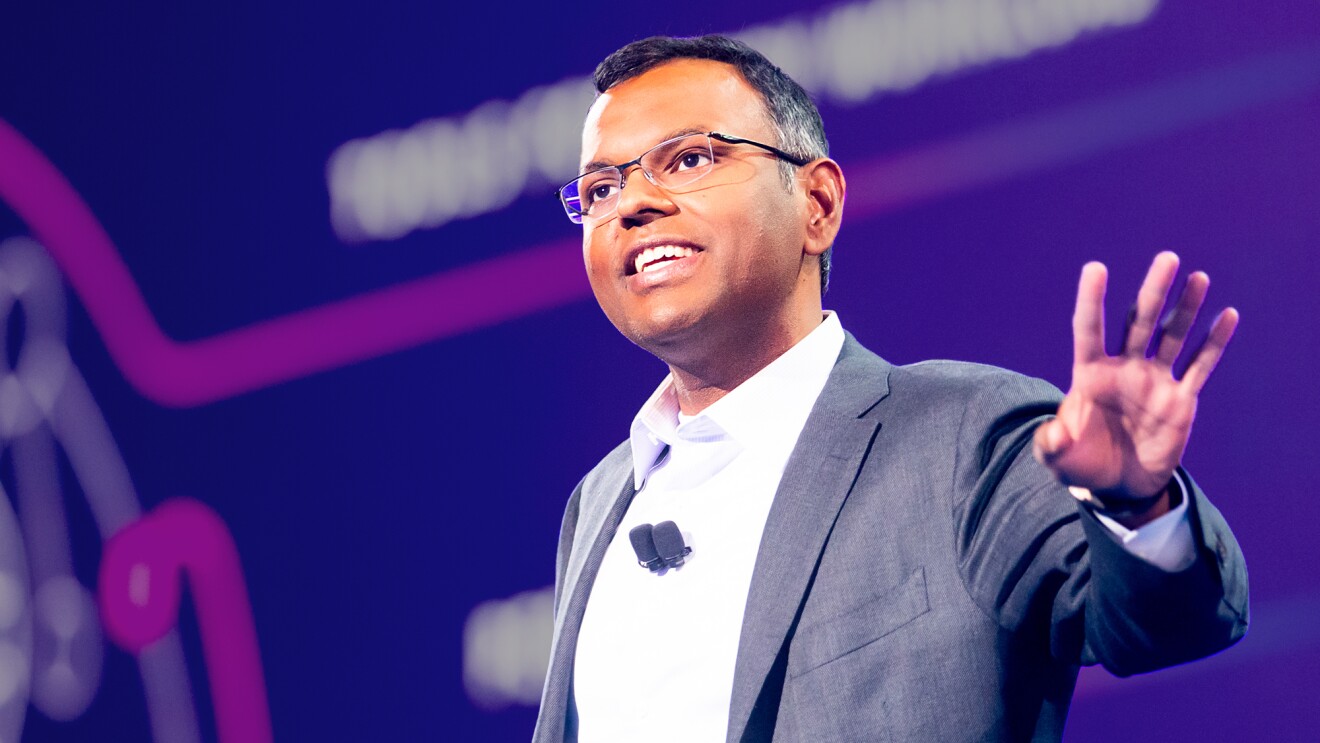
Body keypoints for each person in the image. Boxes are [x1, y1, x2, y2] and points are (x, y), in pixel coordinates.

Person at [533, 35, 1247, 743]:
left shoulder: (964, 436)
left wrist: (1138, 506)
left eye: (688, 159)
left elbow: (1161, 624)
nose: (631, 205)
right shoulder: (599, 502)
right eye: (601, 188)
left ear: (816, 203)